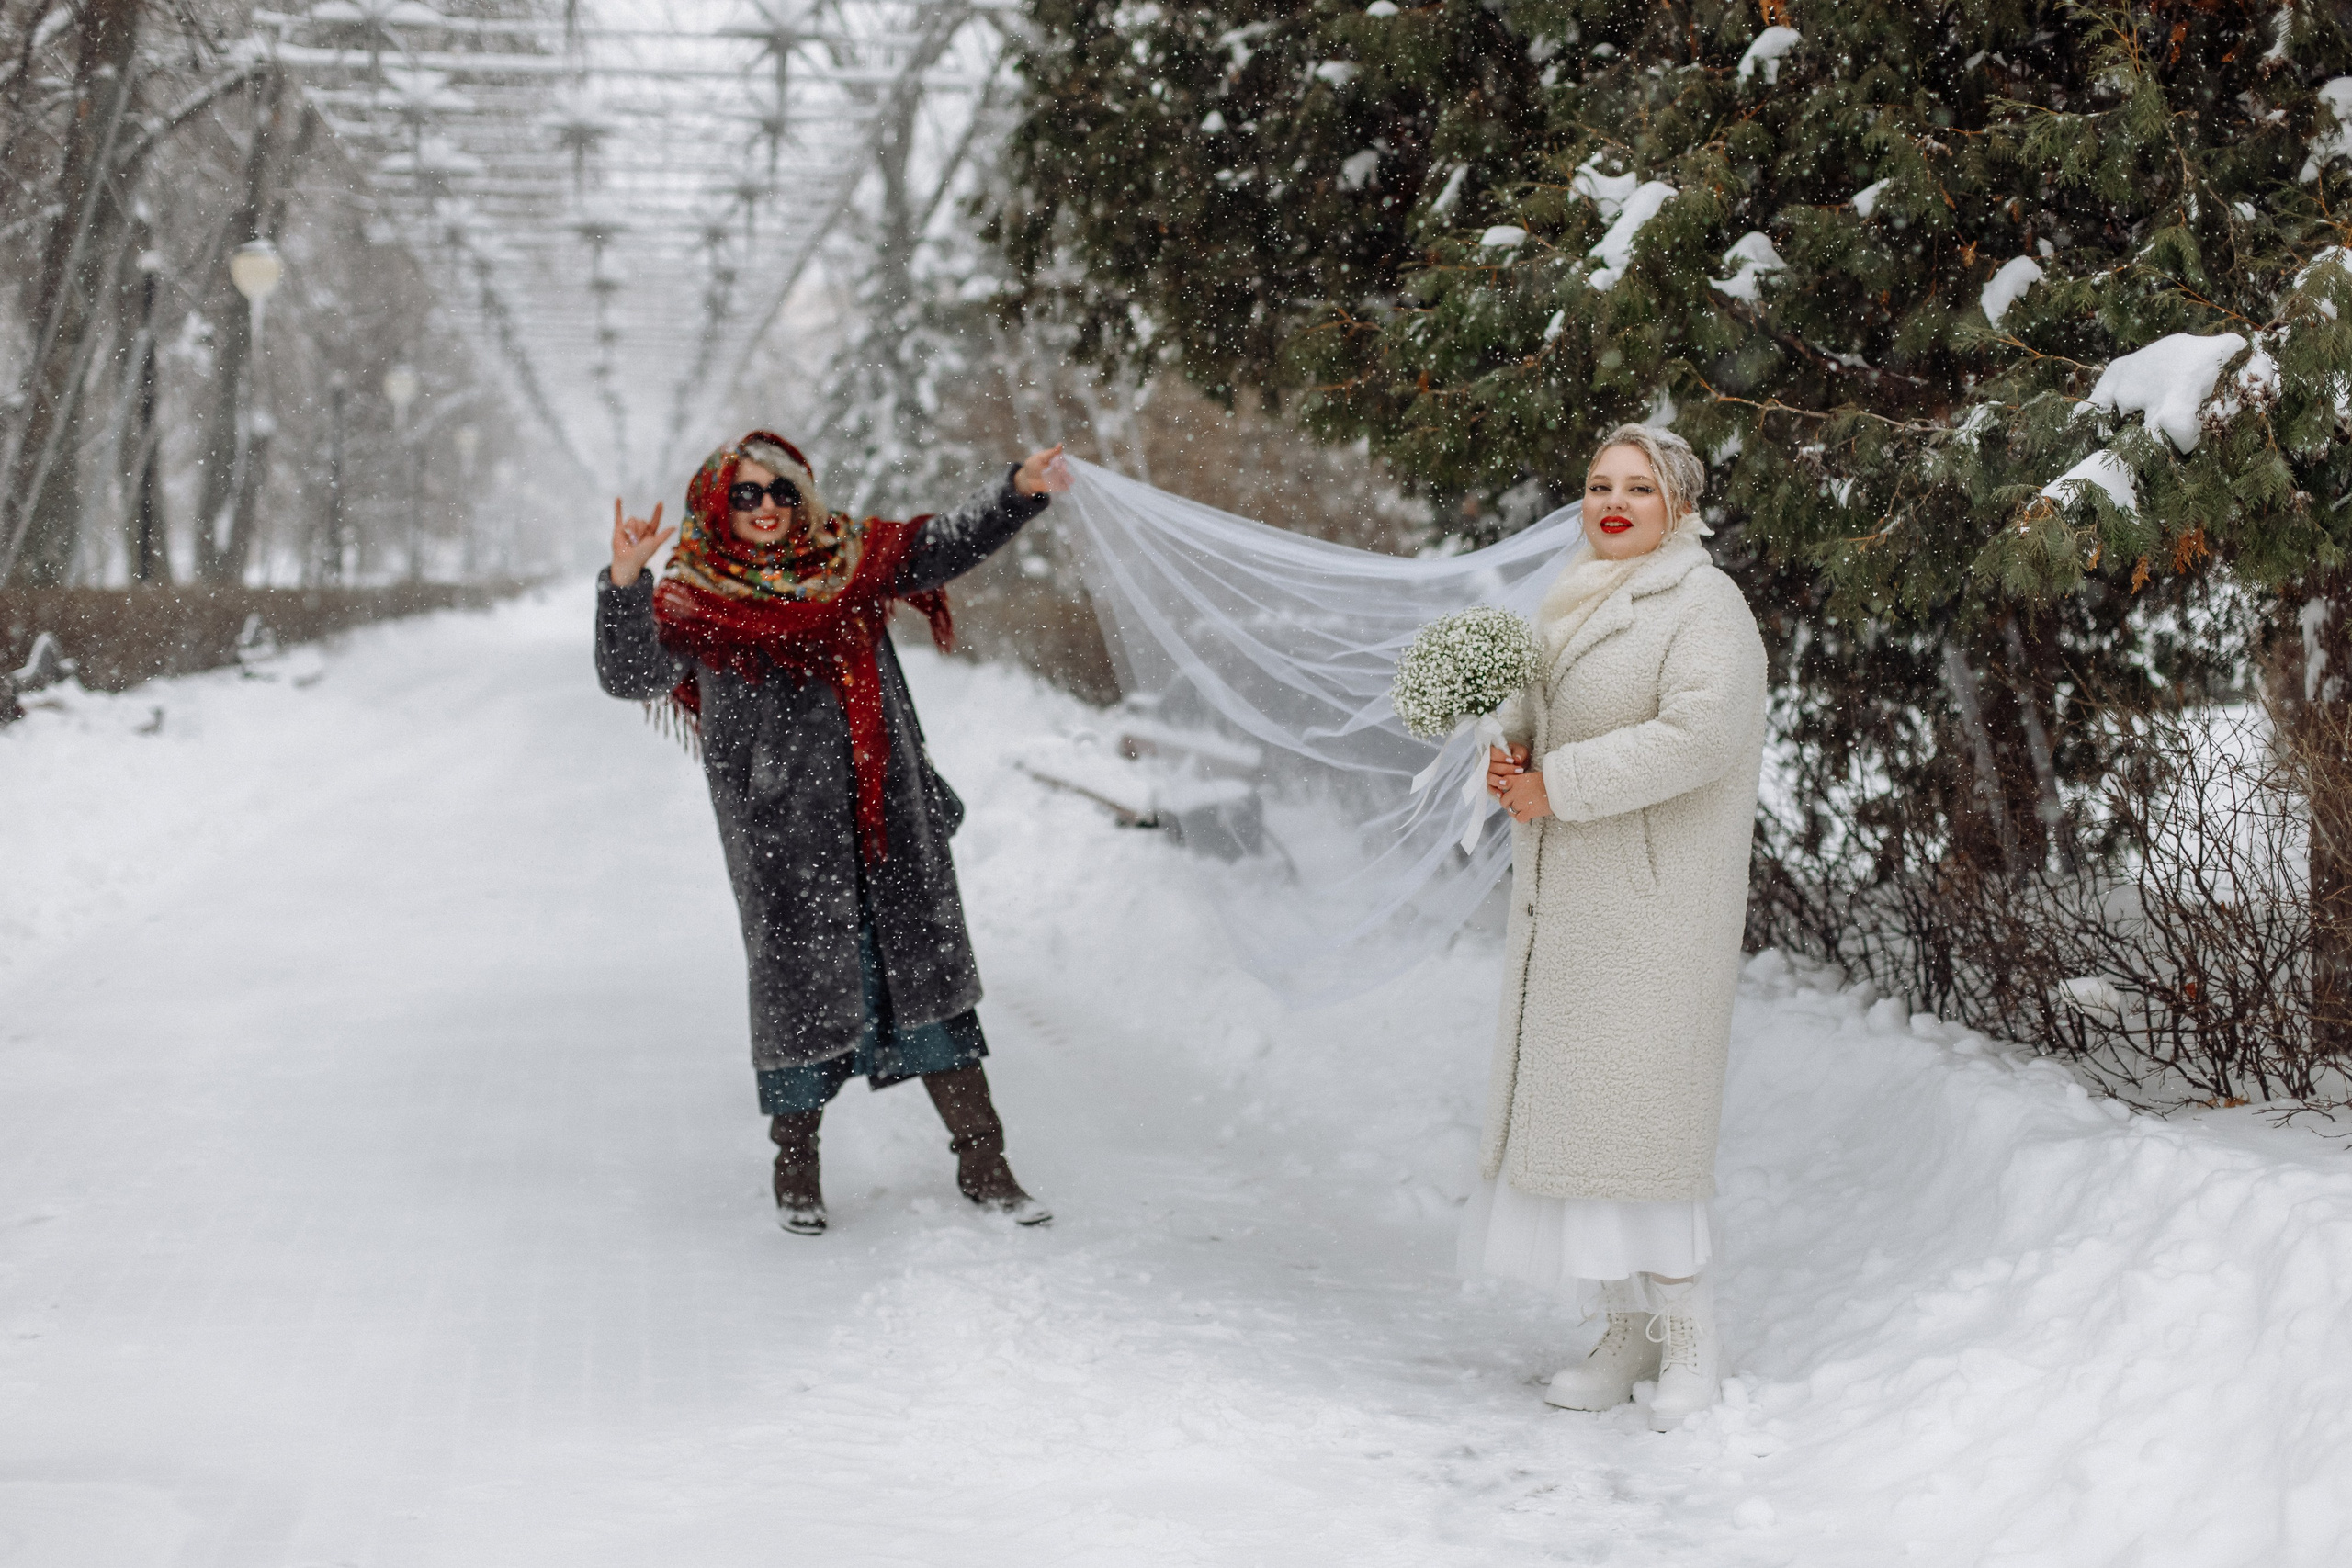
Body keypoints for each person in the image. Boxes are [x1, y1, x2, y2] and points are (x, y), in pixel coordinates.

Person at [594, 430, 1071, 1235]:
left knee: (929, 992)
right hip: (783, 836)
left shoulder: (851, 559)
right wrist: (626, 581)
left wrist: (1017, 488)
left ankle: (986, 1164)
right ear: (718, 503)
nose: (767, 508)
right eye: (745, 494)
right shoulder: (691, 598)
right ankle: (796, 1169)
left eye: (781, 491)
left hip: (888, 821)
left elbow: (941, 545)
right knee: (798, 1003)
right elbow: (629, 675)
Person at [1466, 423, 1767, 1429]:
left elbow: (1699, 734)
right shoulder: (1569, 593)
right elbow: (1536, 719)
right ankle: (1623, 1326)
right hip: (1571, 911)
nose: (1614, 503)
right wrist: (1507, 756)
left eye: (1638, 488)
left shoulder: (1704, 604)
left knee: (1645, 1131)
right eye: (1598, 484)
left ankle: (1690, 1336)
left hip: (1654, 909)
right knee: (1583, 1130)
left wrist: (1565, 784)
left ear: (1677, 504)